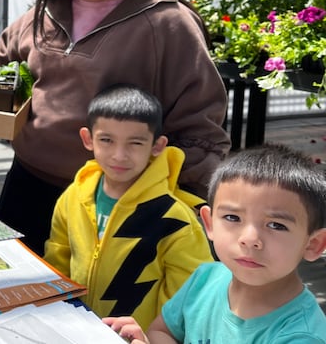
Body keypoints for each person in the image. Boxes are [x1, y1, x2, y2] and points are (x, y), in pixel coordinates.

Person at [0, 0, 231, 253]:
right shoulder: (42, 14)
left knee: (95, 305)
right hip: (28, 184)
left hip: (116, 201)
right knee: (17, 292)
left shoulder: (166, 22)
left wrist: (177, 205)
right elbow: (0, 68)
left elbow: (200, 128)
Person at [104, 144, 326, 343]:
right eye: (232, 218)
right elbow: (162, 332)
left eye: (276, 225)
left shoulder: (302, 336)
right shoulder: (205, 280)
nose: (249, 239)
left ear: (313, 244)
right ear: (209, 224)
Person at [43, 83, 213, 329]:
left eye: (135, 143)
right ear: (88, 139)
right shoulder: (74, 196)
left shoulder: (176, 220)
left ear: (157, 146)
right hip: (76, 329)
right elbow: (58, 254)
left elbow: (187, 298)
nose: (119, 155)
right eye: (107, 140)